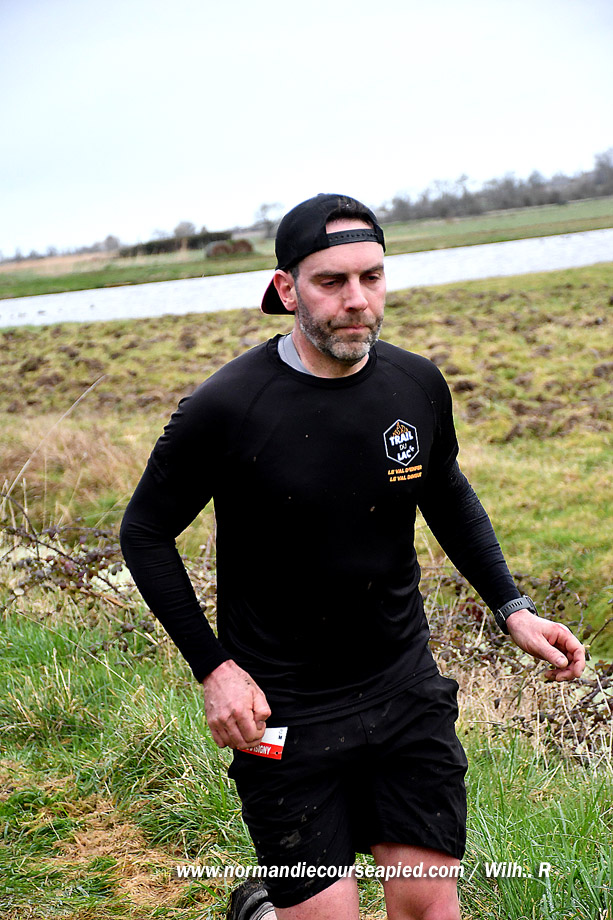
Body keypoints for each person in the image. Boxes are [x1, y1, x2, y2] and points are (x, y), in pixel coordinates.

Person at [120, 194, 585, 920]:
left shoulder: (415, 384)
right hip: (279, 707)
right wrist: (215, 669)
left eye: (371, 277)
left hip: (403, 687)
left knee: (429, 908)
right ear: (287, 289)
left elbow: (446, 493)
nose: (357, 301)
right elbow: (144, 532)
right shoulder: (226, 407)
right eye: (331, 282)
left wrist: (513, 608)